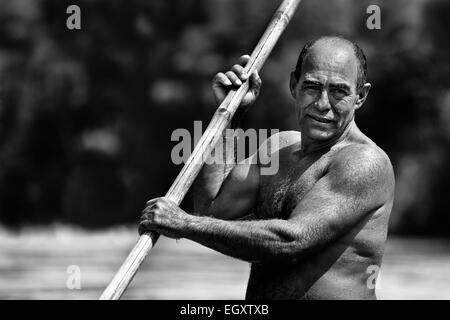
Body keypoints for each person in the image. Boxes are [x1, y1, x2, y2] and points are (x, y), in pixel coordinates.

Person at [139, 35, 395, 299]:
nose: (322, 104)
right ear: (294, 84)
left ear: (360, 96)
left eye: (339, 92)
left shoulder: (364, 162)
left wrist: (182, 223)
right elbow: (211, 210)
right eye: (312, 87)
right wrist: (230, 114)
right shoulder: (277, 149)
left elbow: (292, 241)